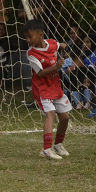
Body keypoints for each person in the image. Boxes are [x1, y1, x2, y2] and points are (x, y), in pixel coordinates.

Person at [24, 19, 72, 160]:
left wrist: (66, 47)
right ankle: (46, 149)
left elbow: (61, 45)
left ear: (40, 35)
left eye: (29, 36)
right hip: (42, 88)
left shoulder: (51, 43)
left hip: (55, 86)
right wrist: (57, 66)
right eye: (26, 37)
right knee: (51, 114)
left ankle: (58, 144)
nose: (27, 40)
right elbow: (39, 73)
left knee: (65, 117)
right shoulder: (31, 53)